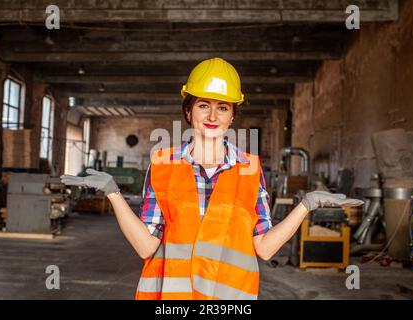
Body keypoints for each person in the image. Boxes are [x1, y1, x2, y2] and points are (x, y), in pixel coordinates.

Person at [60, 57, 363, 300]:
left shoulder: (249, 168)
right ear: (188, 111)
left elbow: (265, 249)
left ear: (233, 116)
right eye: (204, 105)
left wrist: (306, 206)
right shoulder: (163, 165)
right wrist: (113, 193)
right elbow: (146, 247)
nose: (213, 115)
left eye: (223, 107)